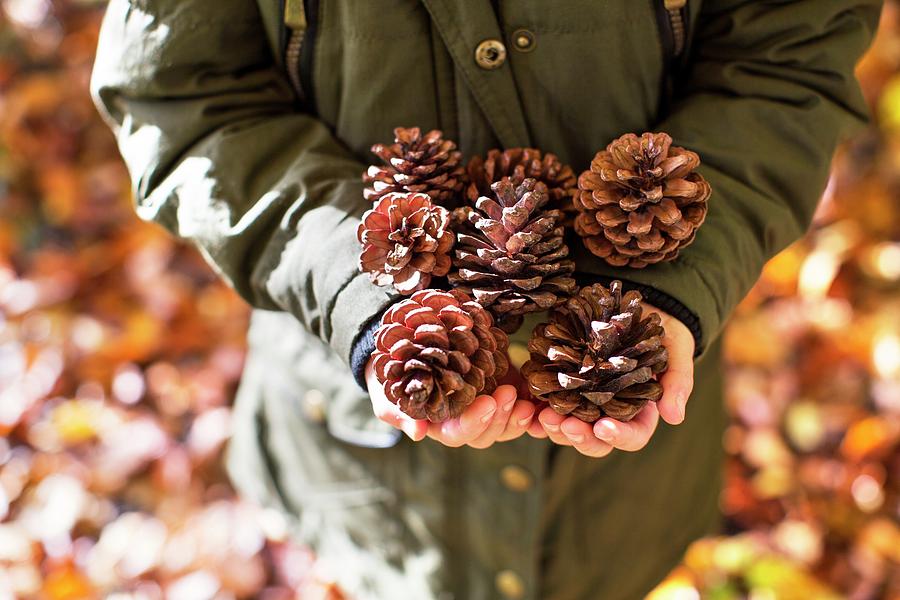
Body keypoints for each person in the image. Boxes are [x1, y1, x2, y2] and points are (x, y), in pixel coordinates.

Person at [90, 1, 881, 598]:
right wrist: (358, 292)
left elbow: (790, 57)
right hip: (353, 456)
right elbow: (182, 100)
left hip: (625, 496)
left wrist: (666, 284)